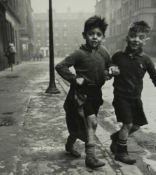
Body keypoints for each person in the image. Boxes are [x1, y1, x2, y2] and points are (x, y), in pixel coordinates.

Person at [109, 21, 156, 165]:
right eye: (133, 36)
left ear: (145, 40)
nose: (136, 40)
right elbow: (109, 67)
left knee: (136, 125)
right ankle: (121, 153)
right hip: (121, 96)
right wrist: (110, 70)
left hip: (135, 98)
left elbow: (155, 75)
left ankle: (116, 138)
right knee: (128, 124)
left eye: (141, 37)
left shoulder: (145, 59)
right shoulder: (118, 56)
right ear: (127, 37)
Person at [55, 16, 110, 169]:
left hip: (96, 94)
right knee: (91, 123)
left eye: (98, 34)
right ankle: (90, 157)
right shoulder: (79, 53)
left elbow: (109, 65)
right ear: (84, 35)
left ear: (102, 37)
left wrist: (109, 72)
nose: (95, 37)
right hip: (81, 93)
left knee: (81, 127)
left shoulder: (104, 52)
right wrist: (74, 79)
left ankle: (69, 144)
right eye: (91, 33)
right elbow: (60, 66)